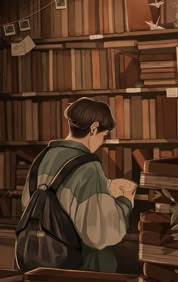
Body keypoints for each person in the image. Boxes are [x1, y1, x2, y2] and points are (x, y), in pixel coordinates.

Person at [21, 97, 135, 273]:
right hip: (77, 270)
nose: (102, 141)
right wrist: (124, 202)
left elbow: (29, 205)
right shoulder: (89, 167)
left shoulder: (42, 157)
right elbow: (100, 235)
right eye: (103, 135)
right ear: (94, 128)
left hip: (38, 262)